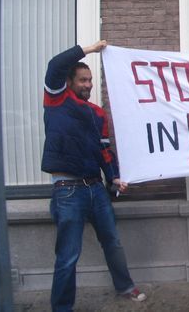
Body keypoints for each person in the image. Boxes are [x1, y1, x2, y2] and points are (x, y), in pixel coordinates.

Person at [42, 41, 146, 311]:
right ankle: (62, 308)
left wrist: (114, 178)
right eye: (82, 80)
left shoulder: (97, 113)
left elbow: (104, 151)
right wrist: (89, 49)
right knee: (68, 255)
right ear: (69, 82)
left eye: (90, 80)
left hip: (96, 189)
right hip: (67, 190)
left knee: (112, 241)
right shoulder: (56, 99)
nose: (88, 85)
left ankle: (125, 287)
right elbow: (55, 65)